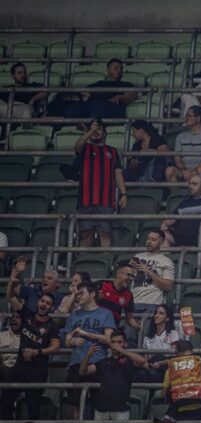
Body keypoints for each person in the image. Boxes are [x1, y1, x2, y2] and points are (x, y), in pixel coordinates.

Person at [78, 329, 145, 423]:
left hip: (121, 408)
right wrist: (88, 355)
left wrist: (121, 351)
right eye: (113, 342)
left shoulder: (129, 361)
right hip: (101, 408)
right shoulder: (103, 362)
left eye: (119, 342)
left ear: (125, 343)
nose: (115, 345)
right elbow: (83, 372)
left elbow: (141, 361)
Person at [1, 285, 60, 420]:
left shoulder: (52, 325)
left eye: (48, 303)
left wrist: (36, 352)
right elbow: (10, 297)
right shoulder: (27, 314)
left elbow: (55, 347)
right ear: (38, 302)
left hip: (38, 370)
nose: (44, 305)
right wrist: (14, 276)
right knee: (6, 399)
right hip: (20, 367)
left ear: (51, 308)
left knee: (33, 406)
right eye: (42, 301)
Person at [61, 281, 115, 410]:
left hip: (98, 363)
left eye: (81, 293)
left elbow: (109, 340)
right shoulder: (74, 315)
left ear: (92, 294)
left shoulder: (106, 313)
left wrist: (87, 334)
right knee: (76, 403)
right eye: (77, 294)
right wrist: (72, 341)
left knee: (98, 402)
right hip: (76, 362)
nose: (78, 296)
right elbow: (67, 341)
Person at [75, 118, 128, 247]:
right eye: (93, 129)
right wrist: (90, 131)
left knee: (105, 233)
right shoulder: (85, 148)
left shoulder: (113, 151)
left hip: (106, 200)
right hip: (85, 200)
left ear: (105, 132)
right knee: (85, 234)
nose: (96, 132)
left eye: (99, 128)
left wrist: (123, 193)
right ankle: (85, 262)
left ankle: (105, 261)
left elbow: (117, 172)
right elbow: (78, 145)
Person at [129, 230, 175, 335]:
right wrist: (130, 269)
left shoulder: (166, 261)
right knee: (129, 338)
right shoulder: (137, 256)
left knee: (147, 339)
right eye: (148, 239)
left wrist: (148, 271)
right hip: (132, 302)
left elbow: (168, 286)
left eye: (153, 239)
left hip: (152, 304)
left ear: (161, 242)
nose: (149, 242)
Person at [161, 174, 201, 247]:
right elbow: (172, 219)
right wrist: (164, 224)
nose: (190, 186)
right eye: (190, 184)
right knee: (162, 234)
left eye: (194, 184)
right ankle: (166, 258)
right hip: (181, 237)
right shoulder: (184, 203)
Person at [63, 58, 137, 119]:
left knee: (98, 106)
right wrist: (84, 95)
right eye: (116, 68)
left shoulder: (125, 84)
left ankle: (88, 127)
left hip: (112, 108)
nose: (119, 71)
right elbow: (85, 92)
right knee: (70, 109)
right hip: (93, 105)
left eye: (121, 69)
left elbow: (132, 96)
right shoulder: (99, 83)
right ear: (108, 70)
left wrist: (121, 97)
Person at [165, 105, 201, 182]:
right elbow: (177, 158)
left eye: (189, 116)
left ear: (198, 118)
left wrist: (194, 171)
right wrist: (184, 170)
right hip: (185, 171)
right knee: (169, 170)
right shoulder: (180, 136)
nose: (186, 118)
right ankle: (175, 194)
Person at [135, 304, 180, 382]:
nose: (156, 315)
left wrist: (160, 363)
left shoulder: (172, 334)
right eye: (156, 313)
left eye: (161, 313)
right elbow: (146, 356)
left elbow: (175, 357)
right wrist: (145, 363)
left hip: (165, 367)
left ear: (167, 318)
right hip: (151, 365)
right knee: (140, 374)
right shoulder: (148, 336)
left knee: (154, 374)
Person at [97, 263, 141, 332]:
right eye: (128, 275)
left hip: (113, 329)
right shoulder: (101, 285)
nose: (131, 278)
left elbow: (129, 319)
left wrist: (137, 326)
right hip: (96, 326)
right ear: (118, 274)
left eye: (132, 276)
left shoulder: (129, 295)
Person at [0, 312, 20, 382]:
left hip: (20, 370)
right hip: (3, 370)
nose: (14, 319)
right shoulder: (1, 335)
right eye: (13, 317)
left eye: (17, 317)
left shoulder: (27, 337)